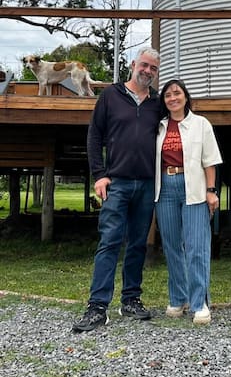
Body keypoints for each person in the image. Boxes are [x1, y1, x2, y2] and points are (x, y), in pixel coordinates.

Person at [72, 47, 161, 333]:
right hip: (117, 183)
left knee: (138, 244)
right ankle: (98, 306)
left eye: (153, 69)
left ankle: (131, 300)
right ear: (133, 64)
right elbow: (95, 134)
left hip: (147, 184)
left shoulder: (157, 103)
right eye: (144, 65)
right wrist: (99, 174)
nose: (147, 71)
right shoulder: (110, 95)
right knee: (109, 241)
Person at [155, 78, 222, 325]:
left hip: (193, 187)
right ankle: (178, 298)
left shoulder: (200, 124)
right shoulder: (159, 127)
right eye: (168, 95)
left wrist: (211, 190)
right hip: (165, 188)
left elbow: (210, 160)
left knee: (196, 246)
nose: (173, 98)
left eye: (177, 93)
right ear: (164, 101)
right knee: (172, 246)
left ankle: (199, 303)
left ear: (185, 96)